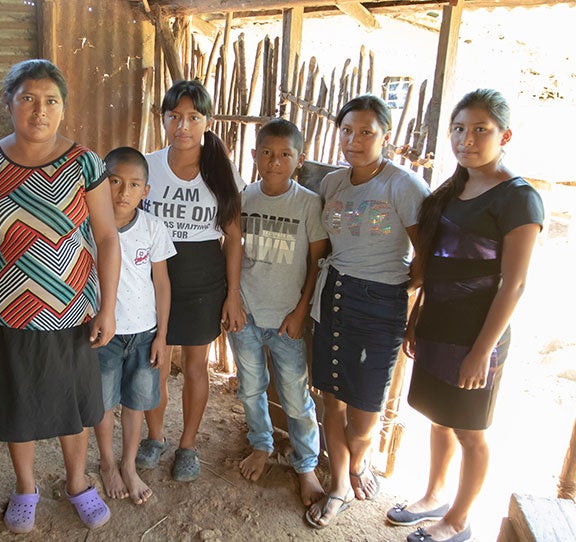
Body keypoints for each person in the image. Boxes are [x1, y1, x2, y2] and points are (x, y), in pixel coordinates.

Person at [0, 59, 121, 533]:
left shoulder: (84, 162)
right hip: (5, 312)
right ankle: (25, 487)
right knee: (19, 405)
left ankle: (77, 483)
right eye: (27, 98)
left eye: (51, 101)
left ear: (63, 108)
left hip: (71, 311)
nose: (39, 110)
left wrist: (107, 308)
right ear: (8, 102)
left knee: (72, 409)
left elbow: (108, 237)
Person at [385, 89, 543, 542]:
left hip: (478, 333)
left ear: (504, 135)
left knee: (470, 430)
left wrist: (482, 351)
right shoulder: (456, 188)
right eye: (458, 129)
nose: (466, 139)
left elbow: (513, 284)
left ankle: (458, 517)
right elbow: (435, 265)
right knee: (438, 416)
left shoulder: (518, 199)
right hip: (440, 324)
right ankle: (434, 494)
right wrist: (417, 319)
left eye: (480, 130)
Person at [306, 94, 430, 529]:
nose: (353, 141)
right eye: (346, 131)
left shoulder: (405, 187)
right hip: (333, 296)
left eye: (365, 132)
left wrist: (402, 285)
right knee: (331, 400)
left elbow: (427, 254)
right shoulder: (334, 184)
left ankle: (360, 460)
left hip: (380, 305)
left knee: (365, 412)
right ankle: (340, 481)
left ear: (385, 136)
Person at [136, 79, 246, 482]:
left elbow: (233, 236)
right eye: (174, 116)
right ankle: (154, 436)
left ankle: (188, 445)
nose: (183, 125)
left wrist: (232, 295)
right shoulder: (146, 165)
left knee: (197, 364)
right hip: (153, 278)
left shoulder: (220, 169)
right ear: (163, 118)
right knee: (157, 362)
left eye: (193, 117)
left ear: (206, 121)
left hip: (203, 279)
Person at [227, 119, 328, 508]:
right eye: (266, 153)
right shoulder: (243, 196)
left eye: (285, 154)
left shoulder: (307, 203)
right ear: (253, 156)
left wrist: (302, 310)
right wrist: (232, 299)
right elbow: (232, 249)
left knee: (296, 396)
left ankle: (305, 464)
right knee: (251, 388)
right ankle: (261, 445)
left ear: (299, 160)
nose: (274, 161)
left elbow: (318, 260)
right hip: (247, 315)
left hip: (288, 318)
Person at [93, 146, 177, 505]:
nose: (123, 192)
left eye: (133, 185)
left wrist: (162, 335)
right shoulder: (89, 225)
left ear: (146, 191)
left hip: (143, 333)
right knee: (102, 402)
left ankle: (129, 464)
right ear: (101, 183)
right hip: (103, 334)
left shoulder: (153, 227)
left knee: (135, 403)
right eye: (114, 182)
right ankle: (107, 463)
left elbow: (162, 283)